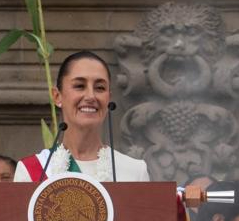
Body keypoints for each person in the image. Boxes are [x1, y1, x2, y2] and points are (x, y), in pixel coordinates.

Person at [13, 51, 152, 183]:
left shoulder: (135, 172)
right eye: (79, 86)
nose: (91, 96)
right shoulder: (32, 171)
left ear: (109, 98)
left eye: (100, 88)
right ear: (57, 96)